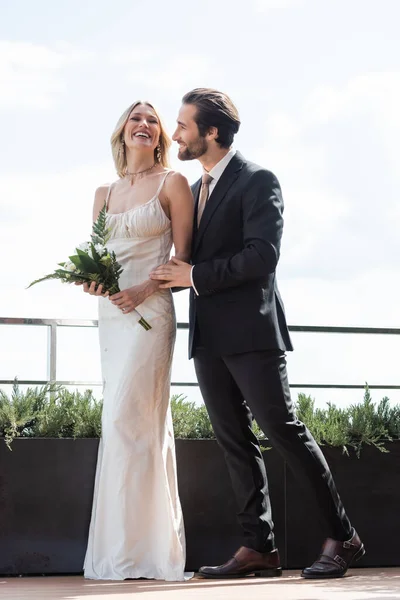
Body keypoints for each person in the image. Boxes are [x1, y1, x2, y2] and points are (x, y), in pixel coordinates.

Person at [150, 88, 364, 580]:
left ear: (212, 132)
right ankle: (258, 548)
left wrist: (195, 276)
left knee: (285, 432)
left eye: (183, 125)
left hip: (252, 335)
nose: (175, 133)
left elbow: (261, 257)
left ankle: (344, 536)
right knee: (234, 442)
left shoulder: (257, 180)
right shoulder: (195, 187)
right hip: (207, 337)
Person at [81, 100, 194, 581]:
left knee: (140, 420)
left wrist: (145, 288)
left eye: (152, 119)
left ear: (160, 135)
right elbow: (93, 257)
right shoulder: (103, 193)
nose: (144, 124)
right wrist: (93, 283)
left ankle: (152, 552)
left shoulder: (174, 184)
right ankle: (115, 550)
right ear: (123, 132)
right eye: (136, 117)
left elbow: (184, 262)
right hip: (112, 316)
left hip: (150, 311)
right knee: (117, 422)